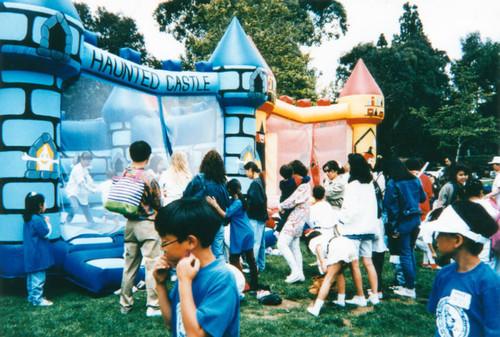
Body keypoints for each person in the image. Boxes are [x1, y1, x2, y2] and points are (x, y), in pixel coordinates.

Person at [152, 198, 240, 337]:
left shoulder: (222, 279)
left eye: (165, 242)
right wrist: (160, 284)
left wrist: (185, 282)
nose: (163, 249)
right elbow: (171, 324)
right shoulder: (187, 270)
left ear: (190, 241)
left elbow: (196, 335)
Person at [427, 200, 500, 337]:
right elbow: (440, 318)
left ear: (457, 240)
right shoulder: (443, 275)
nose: (436, 238)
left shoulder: (490, 283)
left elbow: (494, 330)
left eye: (441, 232)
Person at [119, 141, 163, 317]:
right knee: (152, 265)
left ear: (130, 155)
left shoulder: (124, 174)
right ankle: (153, 306)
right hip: (147, 225)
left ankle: (125, 304)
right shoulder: (149, 178)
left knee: (129, 266)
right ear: (148, 156)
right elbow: (158, 203)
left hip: (129, 224)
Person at [338, 153, 379, 306]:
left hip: (353, 229)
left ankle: (360, 296)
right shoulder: (369, 183)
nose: (345, 165)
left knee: (354, 264)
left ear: (353, 166)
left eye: (348, 163)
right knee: (368, 261)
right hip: (368, 227)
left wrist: (341, 219)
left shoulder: (352, 185)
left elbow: (350, 209)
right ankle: (374, 295)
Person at [384, 156, 427, 299]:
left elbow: (391, 207)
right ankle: (410, 282)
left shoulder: (393, 182)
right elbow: (423, 198)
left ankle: (409, 288)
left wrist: (394, 227)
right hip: (415, 219)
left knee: (405, 254)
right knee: (410, 251)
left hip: (402, 222)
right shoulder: (415, 179)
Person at [206, 179, 260, 291]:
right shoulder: (239, 200)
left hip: (241, 233)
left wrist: (215, 205)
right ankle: (254, 283)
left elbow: (226, 215)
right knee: (250, 259)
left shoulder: (237, 203)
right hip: (247, 231)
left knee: (234, 258)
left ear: (229, 190)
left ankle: (243, 283)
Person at [184, 150, 229, 260]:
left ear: (204, 164)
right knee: (218, 252)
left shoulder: (198, 179)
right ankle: (220, 274)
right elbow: (227, 202)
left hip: (201, 221)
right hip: (218, 221)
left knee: (200, 250)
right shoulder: (222, 181)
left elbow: (186, 196)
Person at [305, 229, 358, 316]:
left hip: (338, 247)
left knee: (328, 279)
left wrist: (322, 262)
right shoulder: (325, 236)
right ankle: (341, 300)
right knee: (339, 273)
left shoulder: (313, 241)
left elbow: (318, 247)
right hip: (349, 244)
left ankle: (316, 309)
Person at [278, 160, 311, 283]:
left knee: (281, 244)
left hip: (294, 220)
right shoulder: (304, 184)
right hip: (299, 220)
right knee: (294, 246)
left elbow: (293, 200)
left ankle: (296, 272)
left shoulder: (303, 186)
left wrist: (281, 206)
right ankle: (300, 273)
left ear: (294, 172)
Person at [23, 192, 54, 306]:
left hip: (30, 254)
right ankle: (37, 299)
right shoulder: (38, 220)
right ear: (40, 205)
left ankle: (32, 297)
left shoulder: (28, 219)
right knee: (38, 278)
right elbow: (45, 233)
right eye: (44, 203)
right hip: (38, 255)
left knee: (31, 277)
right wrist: (47, 223)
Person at [464, 179, 499, 270]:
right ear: (481, 191)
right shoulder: (488, 205)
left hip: (465, 246)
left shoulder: (460, 206)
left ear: (465, 191)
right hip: (486, 246)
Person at [244, 161, 269, 272]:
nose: (246, 174)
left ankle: (252, 266)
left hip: (255, 217)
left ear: (250, 170)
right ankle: (260, 265)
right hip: (262, 217)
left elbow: (255, 201)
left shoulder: (255, 183)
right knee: (261, 243)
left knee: (255, 243)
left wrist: (246, 205)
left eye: (246, 171)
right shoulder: (260, 181)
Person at [65, 151, 98, 224]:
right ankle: (67, 221)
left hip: (81, 193)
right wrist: (91, 190)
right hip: (73, 192)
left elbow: (89, 179)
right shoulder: (77, 169)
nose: (88, 162)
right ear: (82, 160)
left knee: (86, 209)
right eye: (87, 160)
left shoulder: (85, 168)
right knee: (75, 207)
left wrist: (95, 187)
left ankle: (91, 222)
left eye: (89, 160)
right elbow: (81, 183)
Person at [275, 164, 297, 233]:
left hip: (283, 200)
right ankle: (278, 230)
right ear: (292, 172)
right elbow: (306, 178)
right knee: (286, 217)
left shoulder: (281, 183)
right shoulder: (293, 181)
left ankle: (279, 228)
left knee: (284, 216)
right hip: (289, 201)